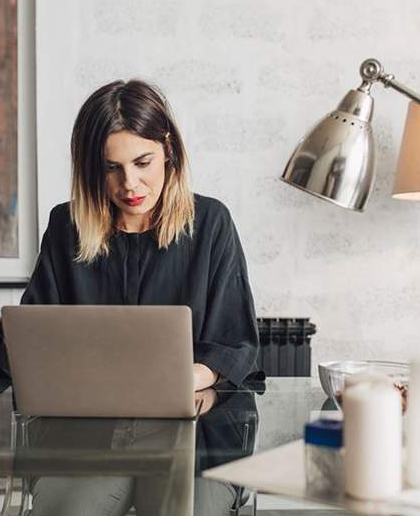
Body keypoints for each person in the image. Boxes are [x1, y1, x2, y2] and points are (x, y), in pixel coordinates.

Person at [21, 79, 259, 390]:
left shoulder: (212, 222)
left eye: (142, 163)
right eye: (110, 168)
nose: (129, 183)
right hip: (86, 413)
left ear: (168, 150)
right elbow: (34, 341)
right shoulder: (66, 226)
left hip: (188, 415)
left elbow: (234, 346)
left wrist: (177, 380)